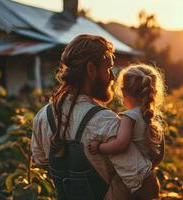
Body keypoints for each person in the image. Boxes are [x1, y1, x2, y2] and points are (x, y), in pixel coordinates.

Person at [31, 34, 153, 199]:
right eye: (108, 68)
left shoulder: (43, 116)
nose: (112, 77)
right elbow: (150, 188)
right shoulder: (105, 123)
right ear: (91, 69)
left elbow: (41, 162)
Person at [88, 64, 166, 200]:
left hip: (132, 183)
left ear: (123, 92)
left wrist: (99, 147)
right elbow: (160, 154)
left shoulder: (129, 117)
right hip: (151, 181)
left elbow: (121, 144)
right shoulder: (149, 118)